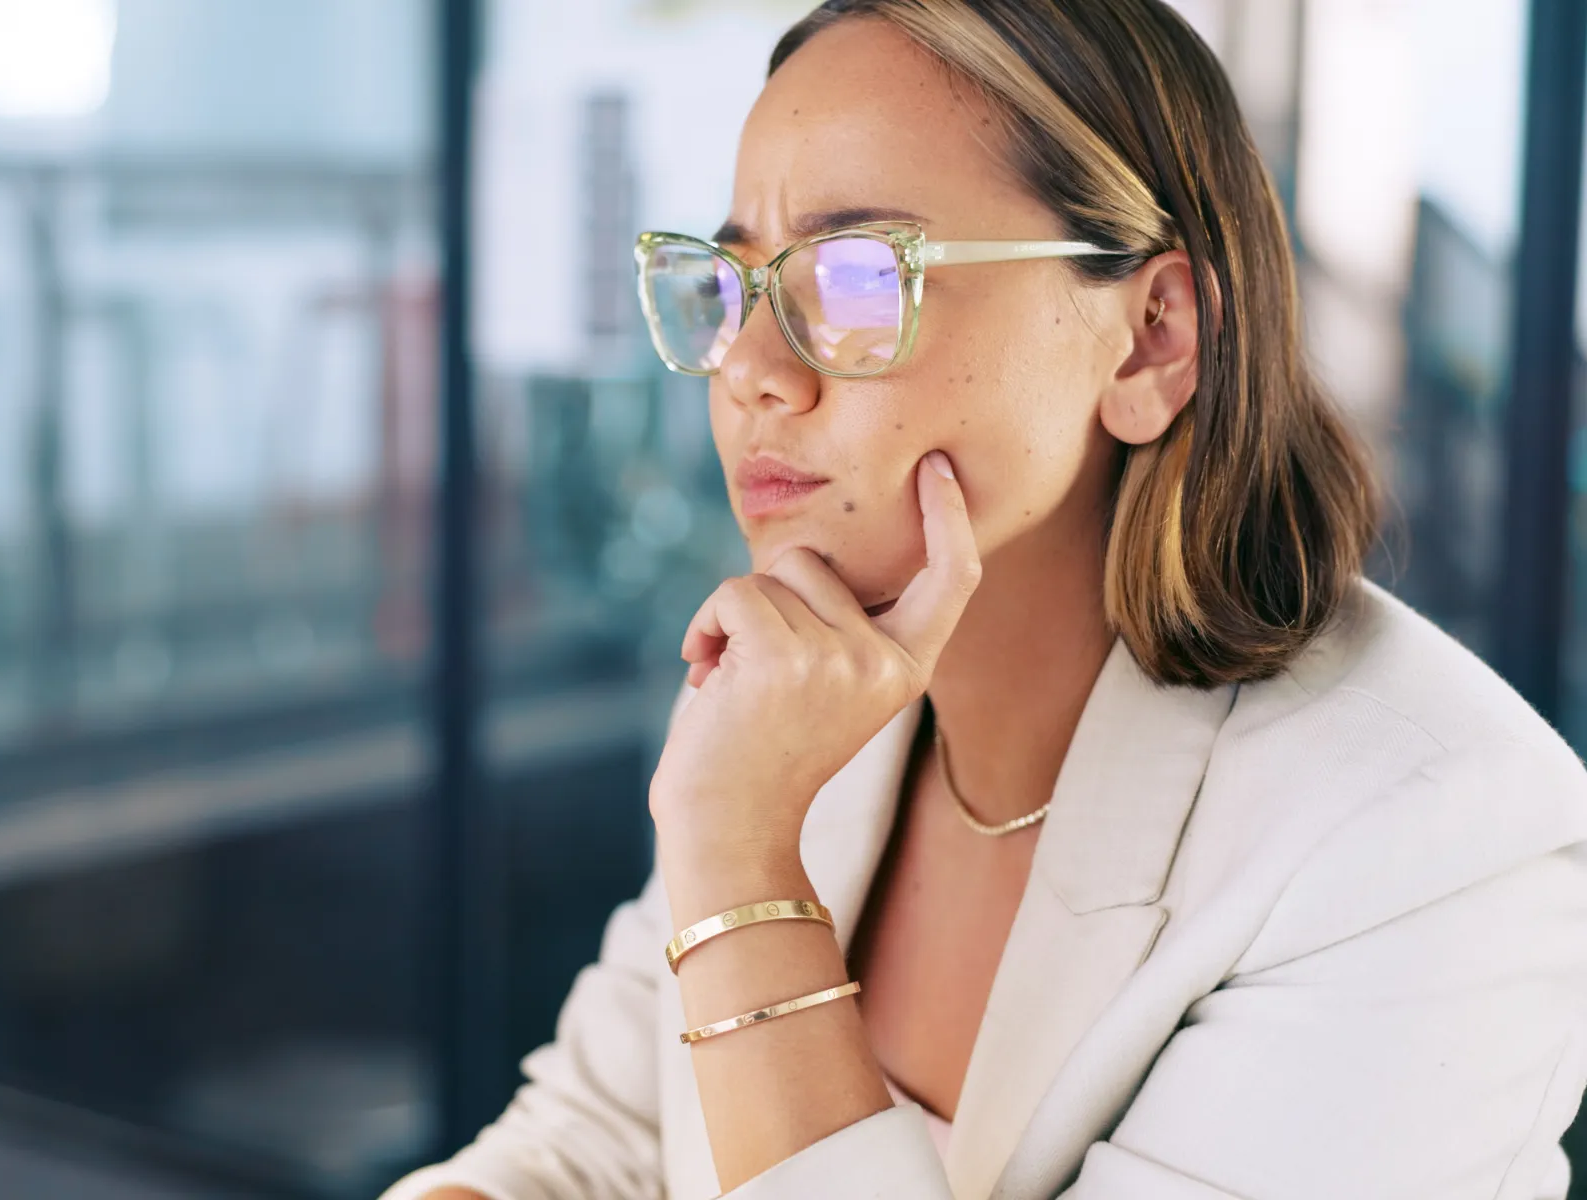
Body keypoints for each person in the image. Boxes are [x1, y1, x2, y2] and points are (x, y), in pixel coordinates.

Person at [383, 1, 1587, 1197]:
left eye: (855, 277)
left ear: (1149, 342)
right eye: (734, 281)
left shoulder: (1429, 837)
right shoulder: (817, 703)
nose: (749, 370)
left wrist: (741, 872)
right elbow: (592, 1145)